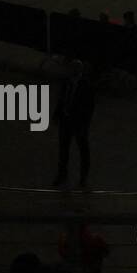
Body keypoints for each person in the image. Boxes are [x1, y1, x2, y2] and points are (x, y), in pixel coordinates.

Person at [52, 60, 96, 189]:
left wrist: (85, 123)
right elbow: (62, 99)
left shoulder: (86, 85)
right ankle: (62, 176)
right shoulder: (67, 82)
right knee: (64, 150)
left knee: (82, 150)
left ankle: (83, 179)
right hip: (66, 120)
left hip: (79, 122)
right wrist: (57, 114)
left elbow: (90, 107)